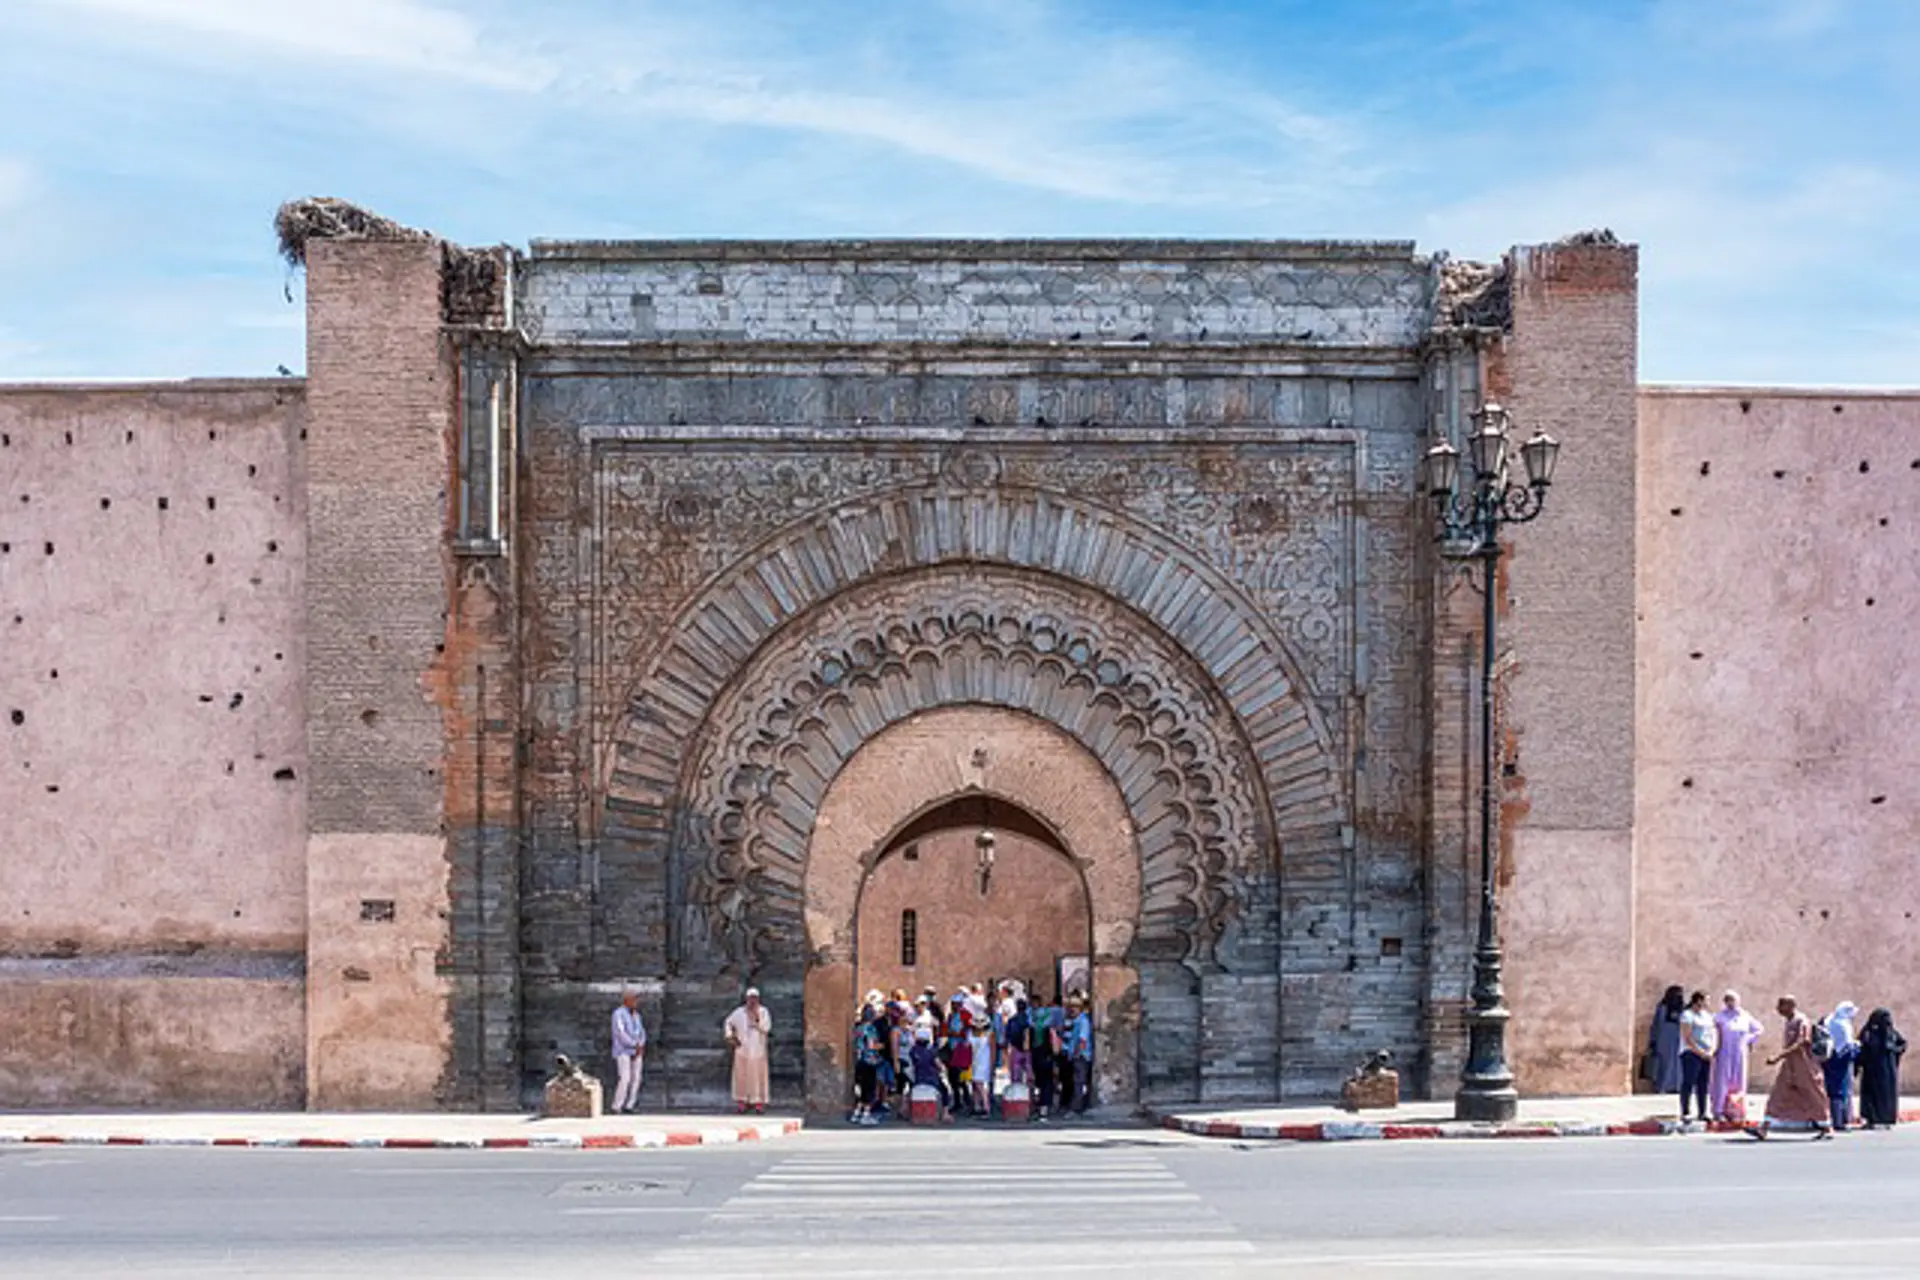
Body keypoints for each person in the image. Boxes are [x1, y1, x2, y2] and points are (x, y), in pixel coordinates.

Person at [1753, 995, 1831, 1139]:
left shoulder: (1801, 1021)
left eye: (1781, 1005)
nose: (1778, 1008)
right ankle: (1764, 1128)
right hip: (1789, 1066)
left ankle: (1826, 1127)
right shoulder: (1789, 1022)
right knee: (1778, 1094)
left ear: (1790, 1005)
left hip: (1804, 1065)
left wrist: (1778, 1056)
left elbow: (1802, 1042)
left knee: (1814, 1094)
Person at [1710, 990, 1764, 1122]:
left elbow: (1759, 1029)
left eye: (1733, 1000)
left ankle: (1737, 1110)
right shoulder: (1719, 1017)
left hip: (1739, 1053)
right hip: (1724, 1052)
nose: (1730, 1003)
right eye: (1728, 1000)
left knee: (1739, 1081)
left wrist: (1748, 1039)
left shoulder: (1744, 1016)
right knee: (1722, 1081)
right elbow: (1713, 1032)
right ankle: (1719, 1110)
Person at [723, 987, 772, 1114]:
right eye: (750, 998)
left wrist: (756, 1022)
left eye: (754, 998)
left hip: (758, 1051)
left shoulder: (763, 1012)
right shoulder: (739, 1012)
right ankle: (742, 1103)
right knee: (741, 1078)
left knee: (758, 1078)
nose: (752, 1001)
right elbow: (728, 1022)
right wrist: (730, 1035)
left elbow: (766, 1028)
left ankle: (758, 1104)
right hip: (742, 1050)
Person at [1857, 1008, 1907, 1129]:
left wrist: (1893, 1052)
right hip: (1872, 1072)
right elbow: (1861, 1048)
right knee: (1871, 1095)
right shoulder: (1868, 1033)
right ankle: (1871, 1119)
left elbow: (1902, 1044)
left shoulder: (1892, 1033)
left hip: (1887, 1072)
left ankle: (1887, 1118)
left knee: (1886, 1096)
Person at [1678, 989, 1716, 1123]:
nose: (1708, 1003)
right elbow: (1687, 1037)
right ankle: (1685, 1111)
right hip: (1691, 1053)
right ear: (1699, 1000)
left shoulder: (1707, 1016)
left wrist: (1711, 1050)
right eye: (1706, 999)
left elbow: (1712, 1033)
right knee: (1689, 1082)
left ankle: (1702, 1111)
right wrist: (1699, 1052)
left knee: (1703, 1084)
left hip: (1706, 1053)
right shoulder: (1687, 1015)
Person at [1822, 1001, 1861, 1130]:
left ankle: (1836, 1119)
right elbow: (1847, 1045)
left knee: (1833, 1089)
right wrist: (1857, 1047)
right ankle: (1840, 1121)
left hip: (1830, 1058)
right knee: (1841, 1090)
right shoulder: (1842, 1025)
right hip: (1841, 1060)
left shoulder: (1830, 1021)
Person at [850, 1000, 889, 1126]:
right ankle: (866, 1114)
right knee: (869, 1089)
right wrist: (882, 1046)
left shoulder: (858, 1028)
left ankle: (857, 1113)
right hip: (869, 1061)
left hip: (860, 1060)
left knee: (862, 1088)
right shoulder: (871, 1029)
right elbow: (871, 1045)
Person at [609, 989, 648, 1115]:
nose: (635, 1002)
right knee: (625, 1077)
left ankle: (630, 1104)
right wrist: (633, 1044)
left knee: (636, 1077)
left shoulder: (637, 1016)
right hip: (623, 1050)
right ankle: (617, 1105)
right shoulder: (618, 1014)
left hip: (637, 1050)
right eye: (633, 999)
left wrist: (640, 1045)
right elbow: (620, 1033)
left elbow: (642, 1032)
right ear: (627, 1000)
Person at [1645, 985, 1685, 1095]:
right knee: (1664, 1064)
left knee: (1678, 1064)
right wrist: (1652, 1040)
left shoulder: (1683, 1009)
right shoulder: (1662, 1007)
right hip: (1663, 1040)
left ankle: (1676, 1086)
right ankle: (1662, 1086)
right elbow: (1656, 1025)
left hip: (1678, 1040)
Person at [1063, 993, 1094, 1114]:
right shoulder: (1074, 1022)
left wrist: (1077, 1052)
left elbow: (1082, 1040)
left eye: (1075, 1007)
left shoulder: (1083, 1022)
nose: (1072, 1009)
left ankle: (1076, 1107)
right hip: (1074, 1055)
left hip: (1081, 1055)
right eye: (1071, 1007)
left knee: (1078, 1082)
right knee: (1075, 1081)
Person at [968, 1016, 995, 1115]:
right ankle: (976, 1106)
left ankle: (986, 1106)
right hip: (973, 1061)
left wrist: (992, 1064)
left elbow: (993, 1051)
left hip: (984, 1062)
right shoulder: (970, 1033)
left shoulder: (990, 1034)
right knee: (975, 1084)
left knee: (979, 1084)